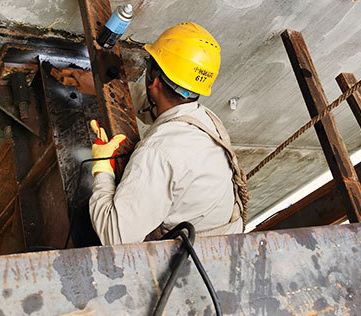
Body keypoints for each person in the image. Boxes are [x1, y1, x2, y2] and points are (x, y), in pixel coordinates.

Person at [88, 22, 249, 245]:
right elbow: (154, 106)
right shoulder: (206, 119)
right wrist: (100, 86)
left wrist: (102, 168)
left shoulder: (158, 153)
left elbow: (114, 236)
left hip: (198, 255)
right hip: (227, 234)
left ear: (153, 80)